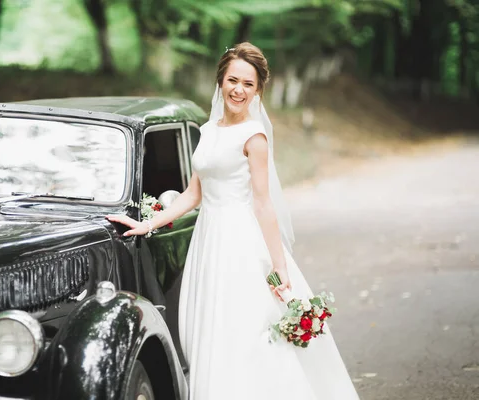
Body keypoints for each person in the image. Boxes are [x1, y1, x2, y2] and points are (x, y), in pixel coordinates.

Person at [107, 42, 359, 399]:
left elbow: (263, 203)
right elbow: (194, 194)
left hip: (240, 241)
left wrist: (280, 266)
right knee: (208, 331)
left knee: (243, 332)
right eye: (232, 80)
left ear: (258, 90)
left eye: (248, 84)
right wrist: (147, 224)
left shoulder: (253, 137)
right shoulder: (208, 130)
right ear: (220, 81)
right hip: (208, 243)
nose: (238, 90)